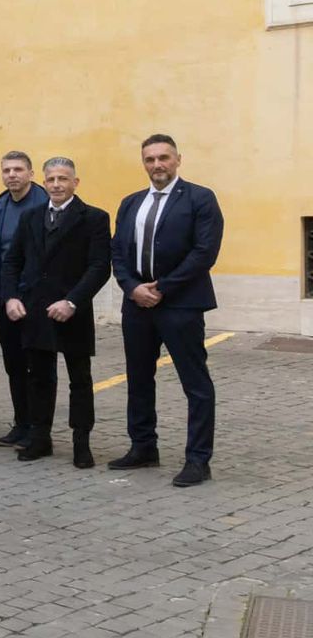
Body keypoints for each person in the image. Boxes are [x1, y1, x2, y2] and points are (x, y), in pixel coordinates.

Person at [109, 134, 224, 488]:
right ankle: (143, 447)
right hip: (137, 304)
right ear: (143, 163)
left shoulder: (200, 198)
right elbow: (118, 253)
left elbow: (205, 252)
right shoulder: (130, 203)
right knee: (139, 379)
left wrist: (164, 288)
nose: (157, 165)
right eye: (150, 159)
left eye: (164, 158)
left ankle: (197, 460)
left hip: (181, 304)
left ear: (178, 160)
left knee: (196, 384)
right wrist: (131, 287)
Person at [1, 157, 111, 469]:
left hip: (72, 310)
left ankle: (81, 442)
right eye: (51, 179)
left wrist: (72, 301)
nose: (57, 185)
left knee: (80, 379)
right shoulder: (32, 217)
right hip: (35, 310)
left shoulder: (94, 218)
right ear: (44, 182)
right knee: (39, 378)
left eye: (63, 179)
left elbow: (100, 266)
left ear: (76, 182)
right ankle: (40, 438)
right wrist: (10, 298)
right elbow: (12, 262)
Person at [0, 150, 49, 447]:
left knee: (36, 367)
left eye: (18, 170)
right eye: (7, 170)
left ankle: (38, 428)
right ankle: (21, 423)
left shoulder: (43, 203)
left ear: (31, 173)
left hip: (33, 300)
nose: (12, 175)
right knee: (14, 365)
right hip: (4, 298)